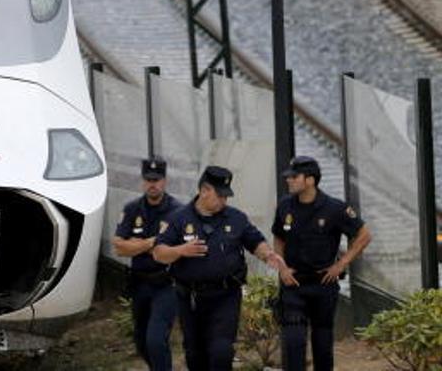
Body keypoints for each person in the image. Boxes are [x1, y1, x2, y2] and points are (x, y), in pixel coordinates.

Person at [154, 165, 288, 371]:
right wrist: (181, 250)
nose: (225, 201)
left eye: (227, 196)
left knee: (221, 352)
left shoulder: (236, 218)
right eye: (220, 195)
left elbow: (255, 241)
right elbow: (159, 253)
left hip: (225, 296)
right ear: (204, 191)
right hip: (190, 298)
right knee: (194, 354)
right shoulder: (178, 219)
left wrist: (268, 254)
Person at [272, 156, 372, 371]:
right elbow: (279, 237)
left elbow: (364, 235)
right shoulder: (285, 205)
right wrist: (281, 268)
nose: (289, 181)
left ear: (310, 180)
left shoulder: (334, 208)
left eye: (294, 177)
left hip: (323, 285)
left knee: (323, 343)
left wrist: (342, 263)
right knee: (294, 341)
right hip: (293, 284)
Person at [112, 156, 184, 371]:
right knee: (141, 341)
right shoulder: (132, 209)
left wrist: (135, 244)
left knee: (155, 339)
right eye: (148, 179)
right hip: (140, 283)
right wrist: (153, 241)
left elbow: (175, 250)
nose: (153, 184)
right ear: (143, 181)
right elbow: (118, 247)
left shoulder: (177, 211)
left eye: (157, 179)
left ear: (165, 181)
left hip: (166, 283)